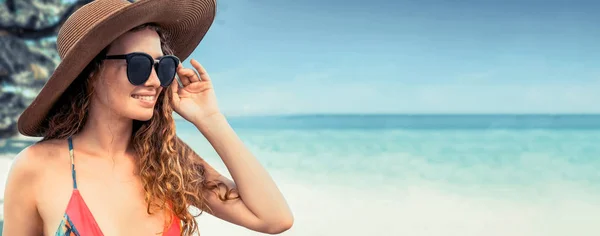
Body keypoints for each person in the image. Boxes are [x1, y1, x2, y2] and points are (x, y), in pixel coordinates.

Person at [2, 0, 294, 235]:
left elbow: (273, 218)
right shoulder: (36, 168)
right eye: (139, 64)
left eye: (163, 65)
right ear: (90, 74)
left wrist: (211, 118)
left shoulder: (167, 159)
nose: (156, 81)